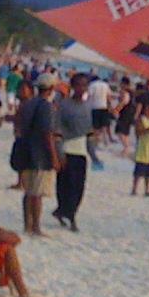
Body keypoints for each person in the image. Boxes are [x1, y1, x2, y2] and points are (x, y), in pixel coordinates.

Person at [15, 72, 61, 235]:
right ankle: (36, 226)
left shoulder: (28, 103)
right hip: (40, 155)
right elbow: (47, 134)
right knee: (38, 194)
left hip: (25, 151)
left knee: (28, 192)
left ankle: (27, 225)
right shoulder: (46, 106)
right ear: (51, 88)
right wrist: (54, 157)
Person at [52, 72, 93, 231]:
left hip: (81, 151)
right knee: (64, 185)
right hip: (67, 149)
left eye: (85, 85)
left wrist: (93, 154)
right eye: (79, 85)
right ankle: (67, 214)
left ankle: (69, 213)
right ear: (73, 86)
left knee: (79, 187)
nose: (82, 88)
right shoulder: (64, 105)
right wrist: (59, 153)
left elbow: (89, 132)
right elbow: (58, 129)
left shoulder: (87, 106)